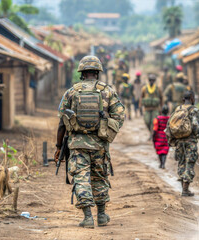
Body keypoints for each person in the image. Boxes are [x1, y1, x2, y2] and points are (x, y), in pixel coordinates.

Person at [54, 56, 125, 228]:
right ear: (98, 72)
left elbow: (62, 121)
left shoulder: (71, 91)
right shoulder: (107, 91)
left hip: (77, 144)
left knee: (81, 178)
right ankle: (101, 215)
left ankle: (87, 218)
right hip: (100, 144)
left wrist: (58, 147)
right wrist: (106, 130)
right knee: (100, 176)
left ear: (82, 73)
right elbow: (120, 115)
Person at [167, 90, 199, 196]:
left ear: (183, 99)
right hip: (190, 141)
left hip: (179, 141)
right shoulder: (194, 110)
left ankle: (183, 188)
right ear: (192, 98)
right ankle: (185, 189)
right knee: (189, 163)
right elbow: (195, 126)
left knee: (181, 163)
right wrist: (198, 135)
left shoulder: (178, 109)